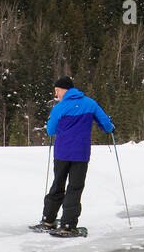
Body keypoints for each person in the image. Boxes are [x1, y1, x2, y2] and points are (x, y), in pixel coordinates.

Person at [42, 76, 114, 232]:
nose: (56, 95)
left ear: (63, 90)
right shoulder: (90, 103)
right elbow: (106, 125)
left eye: (57, 91)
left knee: (58, 184)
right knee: (75, 188)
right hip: (80, 154)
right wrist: (110, 129)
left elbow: (51, 130)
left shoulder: (59, 107)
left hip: (61, 153)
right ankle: (68, 224)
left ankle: (48, 220)